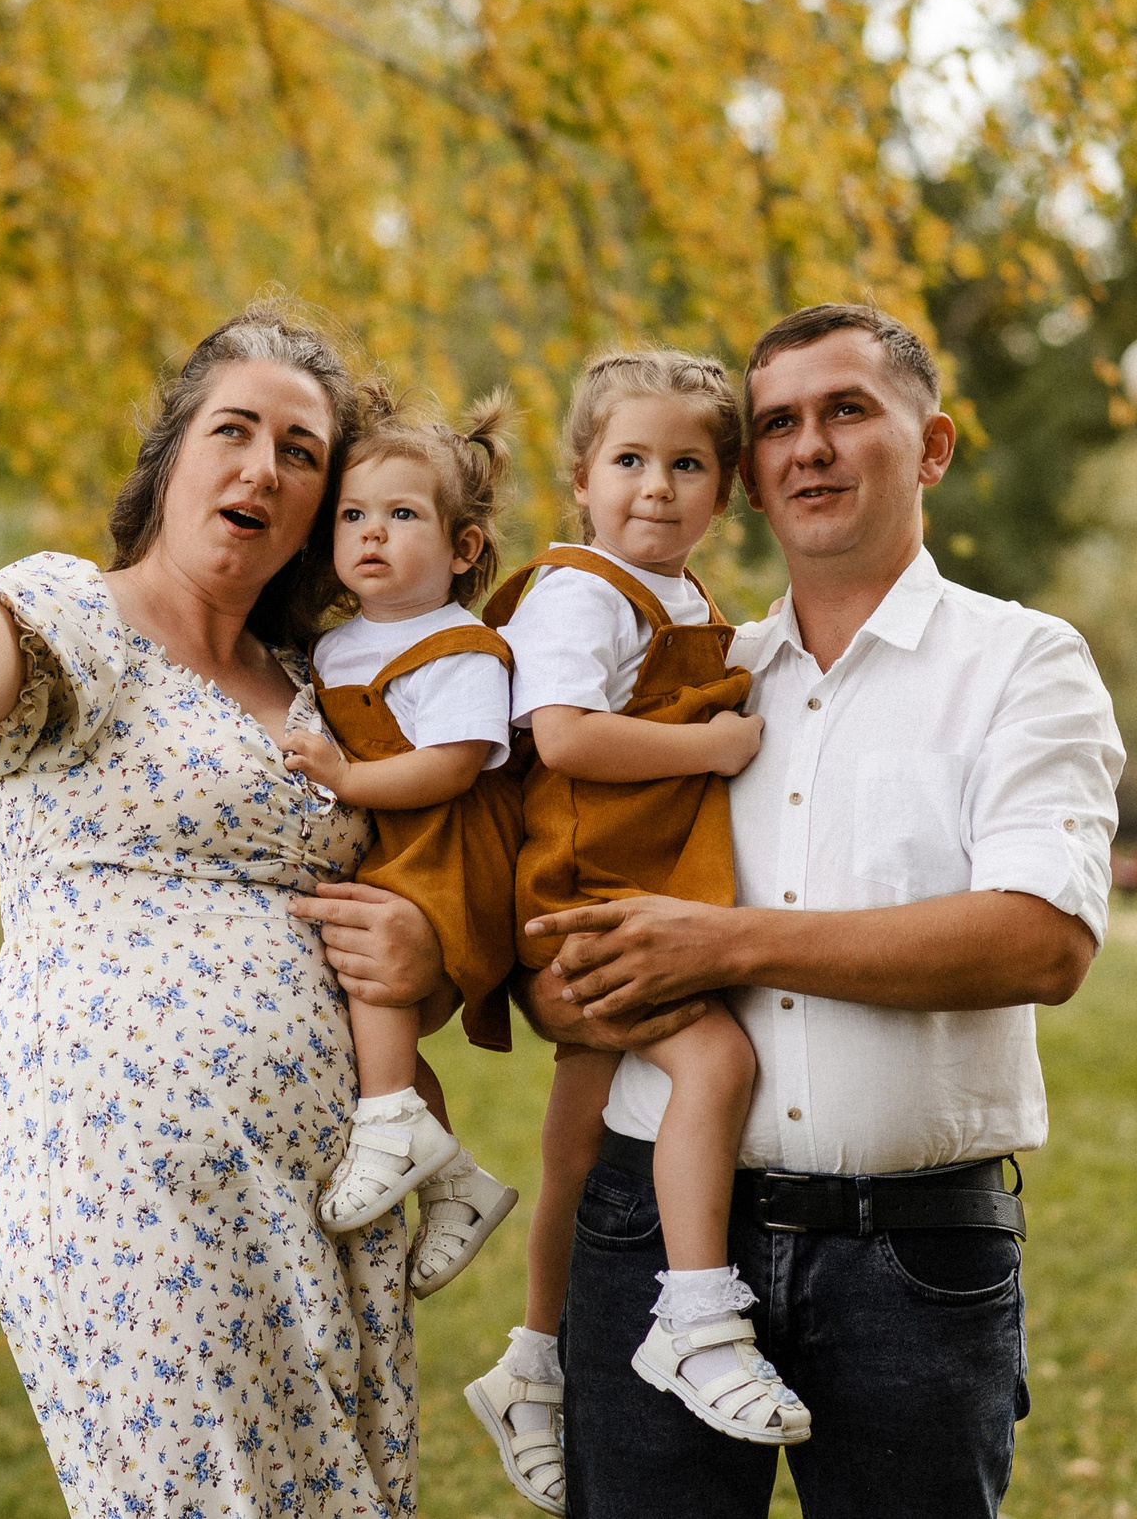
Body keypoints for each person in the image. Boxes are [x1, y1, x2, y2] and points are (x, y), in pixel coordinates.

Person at [0, 259, 556, 1516]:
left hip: (331, 1210)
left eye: (300, 452)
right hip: (130, 1195)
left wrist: (425, 950)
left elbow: (451, 866)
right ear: (172, 461)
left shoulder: (326, 686)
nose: (261, 467)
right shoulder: (81, 623)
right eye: (230, 431)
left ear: (317, 515)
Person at [521, 304, 1124, 1518]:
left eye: (847, 410)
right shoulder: (691, 684)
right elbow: (556, 914)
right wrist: (559, 979)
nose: (808, 446)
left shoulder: (1020, 662)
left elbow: (1039, 939)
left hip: (912, 1253)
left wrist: (726, 942)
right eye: (779, 423)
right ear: (748, 474)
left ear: (933, 446)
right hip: (650, 1231)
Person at [462, 351, 801, 1517]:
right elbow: (562, 734)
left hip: (635, 888)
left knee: (577, 1143)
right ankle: (697, 1313)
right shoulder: (581, 594)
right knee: (716, 1059)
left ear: (726, 489)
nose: (655, 487)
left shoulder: (689, 602)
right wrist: (709, 748)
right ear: (583, 475)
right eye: (629, 460)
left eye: (686, 464)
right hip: (589, 897)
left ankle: (533, 1355)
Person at [273, 392, 525, 1295]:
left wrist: (342, 777)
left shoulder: (457, 645)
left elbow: (450, 768)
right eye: (352, 516)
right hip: (399, 845)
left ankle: (390, 1119)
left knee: (375, 961)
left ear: (462, 548)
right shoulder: (338, 643)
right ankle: (454, 1178)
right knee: (354, 1012)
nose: (371, 535)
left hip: (449, 848)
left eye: (402, 515)